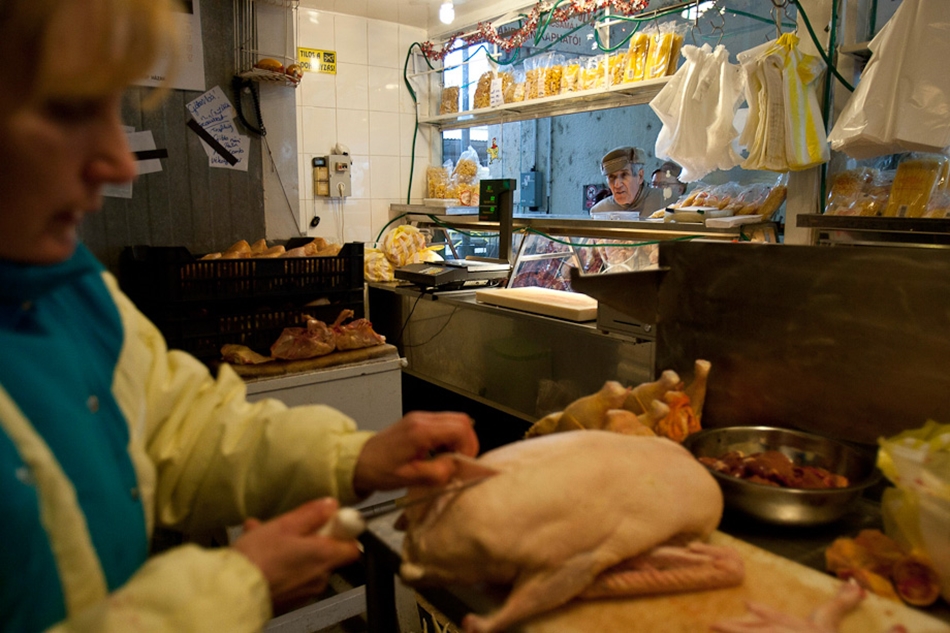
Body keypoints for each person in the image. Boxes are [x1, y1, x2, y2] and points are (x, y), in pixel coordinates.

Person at [0, 1, 479, 631]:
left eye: (111, 110)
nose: (119, 162)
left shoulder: (67, 290)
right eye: (68, 110)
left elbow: (185, 431)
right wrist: (234, 589)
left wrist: (351, 458)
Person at [589, 146, 666, 216]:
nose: (617, 185)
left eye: (624, 175)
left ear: (640, 176)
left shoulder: (666, 204)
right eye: (611, 177)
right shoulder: (599, 212)